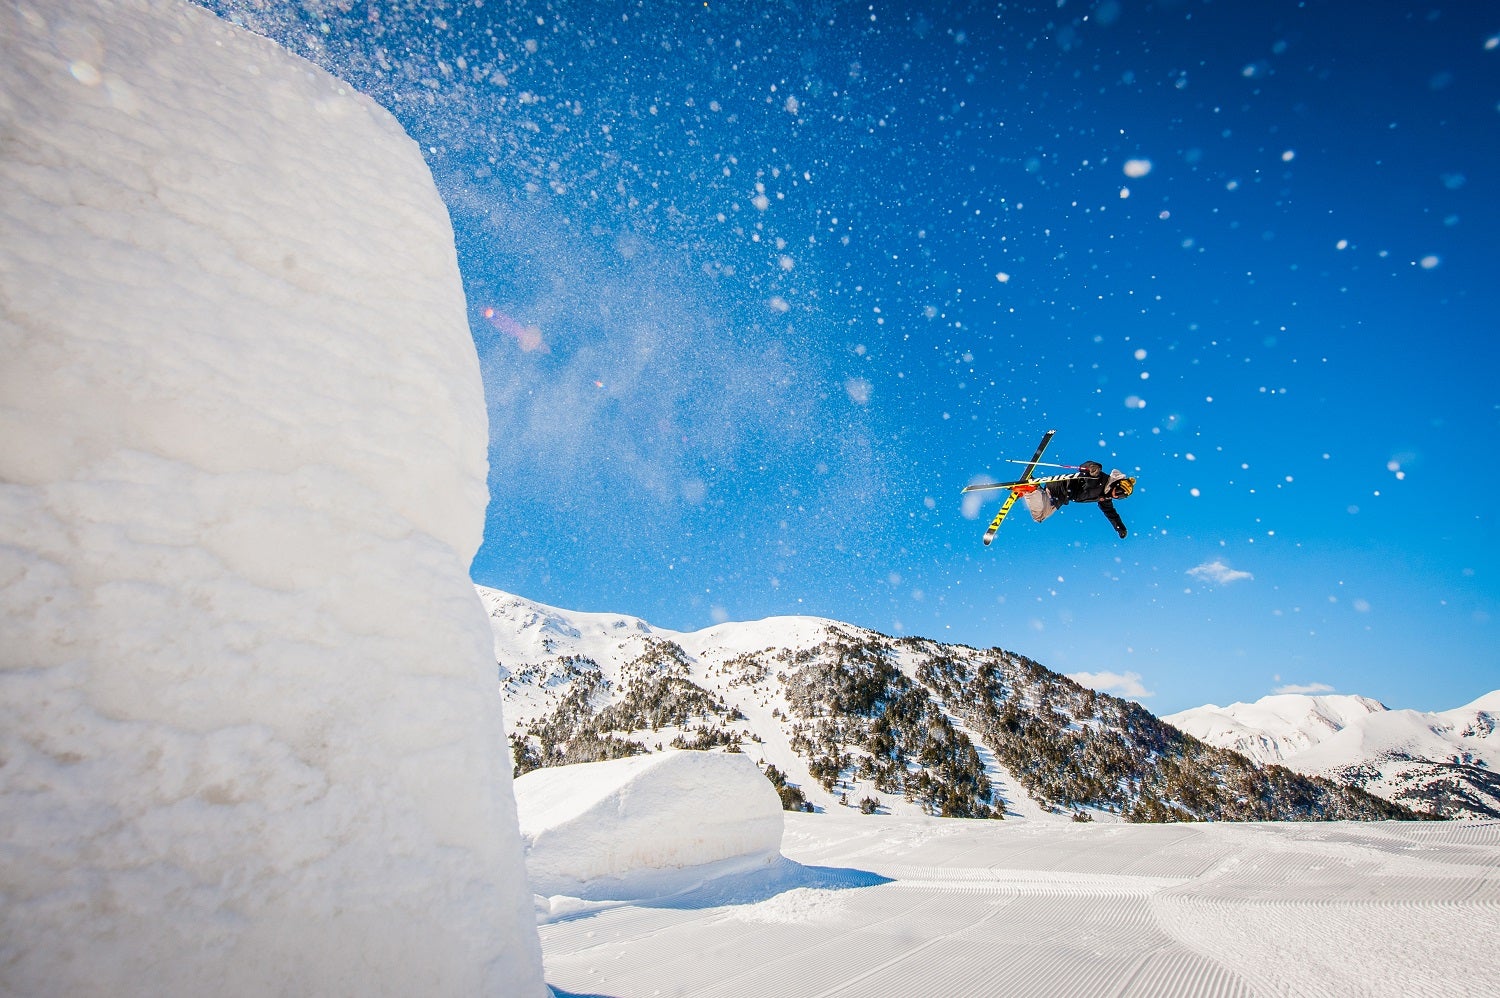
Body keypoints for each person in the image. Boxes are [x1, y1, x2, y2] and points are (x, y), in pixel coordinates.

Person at [1014, 461, 1135, 537]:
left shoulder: (1105, 496)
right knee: (1040, 516)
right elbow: (1085, 466)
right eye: (1119, 492)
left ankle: (1031, 490)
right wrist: (1092, 467)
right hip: (1061, 489)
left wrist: (1120, 528)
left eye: (1121, 497)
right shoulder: (1100, 479)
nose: (1117, 496)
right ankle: (1030, 490)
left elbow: (1111, 513)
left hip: (1062, 494)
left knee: (1040, 513)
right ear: (1116, 484)